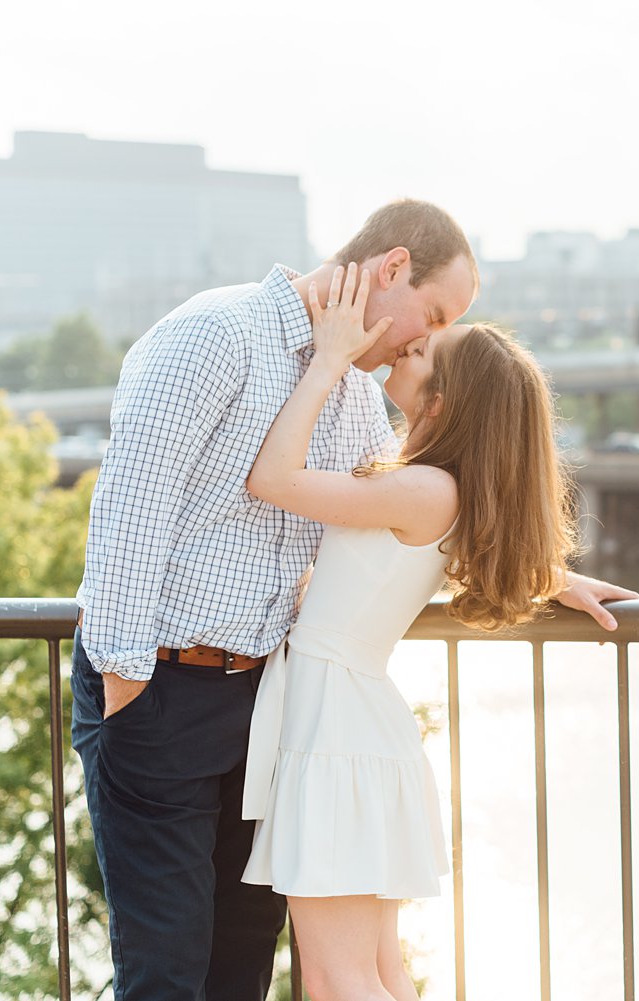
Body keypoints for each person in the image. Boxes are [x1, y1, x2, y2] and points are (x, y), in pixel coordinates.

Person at [70, 199, 638, 1000]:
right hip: (161, 691)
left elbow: (424, 524)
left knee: (240, 962)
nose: (422, 341)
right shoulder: (215, 334)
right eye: (434, 314)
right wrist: (128, 692)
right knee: (165, 964)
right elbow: (128, 519)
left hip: (265, 706)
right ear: (392, 268)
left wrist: (550, 576)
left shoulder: (354, 400)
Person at [240, 261, 583, 1000]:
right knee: (379, 973)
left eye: (423, 353)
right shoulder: (432, 486)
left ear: (442, 402)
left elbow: (272, 477)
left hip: (336, 729)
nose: (405, 348)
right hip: (350, 724)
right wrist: (558, 579)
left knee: (338, 980)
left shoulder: (422, 489)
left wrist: (329, 362)